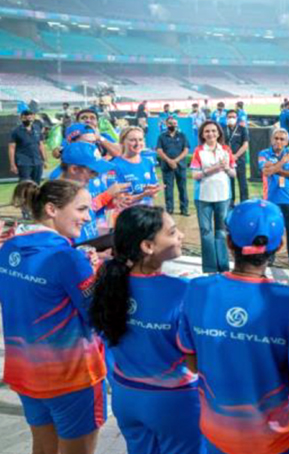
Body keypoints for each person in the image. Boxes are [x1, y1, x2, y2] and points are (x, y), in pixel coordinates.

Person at [177, 199, 289, 454]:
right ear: (279, 245)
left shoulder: (198, 289)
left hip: (217, 434)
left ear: (228, 242)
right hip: (277, 439)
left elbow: (191, 361)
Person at [0, 179, 106, 454]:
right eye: (81, 209)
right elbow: (98, 315)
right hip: (71, 377)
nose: (87, 217)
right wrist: (99, 277)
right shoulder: (68, 258)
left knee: (44, 448)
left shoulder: (9, 249)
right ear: (51, 209)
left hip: (24, 371)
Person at [90, 206, 202, 454]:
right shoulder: (183, 291)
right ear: (148, 246)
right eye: (172, 232)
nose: (181, 236)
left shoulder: (109, 283)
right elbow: (195, 360)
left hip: (126, 396)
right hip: (174, 401)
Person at [191, 120, 236, 273]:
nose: (210, 134)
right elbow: (195, 175)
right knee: (206, 232)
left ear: (218, 133)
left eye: (213, 131)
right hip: (203, 196)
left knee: (221, 232)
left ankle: (223, 267)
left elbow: (233, 173)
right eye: (207, 131)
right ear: (202, 135)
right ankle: (210, 268)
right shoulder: (198, 151)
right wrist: (214, 169)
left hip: (223, 196)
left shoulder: (226, 150)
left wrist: (227, 168)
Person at [258, 128, 289, 267]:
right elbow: (266, 172)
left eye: (282, 139)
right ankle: (270, 258)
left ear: (286, 142)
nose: (278, 141)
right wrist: (284, 162)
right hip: (271, 199)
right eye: (276, 138)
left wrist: (275, 168)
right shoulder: (264, 153)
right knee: (272, 230)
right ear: (272, 139)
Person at [156, 116, 191, 216]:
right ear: (166, 124)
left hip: (180, 166)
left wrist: (175, 160)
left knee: (182, 188)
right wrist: (169, 161)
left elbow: (186, 150)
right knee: (168, 188)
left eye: (175, 123)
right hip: (166, 166)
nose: (173, 125)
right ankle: (169, 209)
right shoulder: (161, 136)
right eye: (170, 123)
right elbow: (159, 150)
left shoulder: (182, 135)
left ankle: (184, 209)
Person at [9, 110, 47, 183]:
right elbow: (11, 148)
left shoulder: (37, 128)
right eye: (25, 116)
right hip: (24, 162)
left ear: (33, 117)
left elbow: (41, 145)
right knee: (25, 184)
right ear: (21, 118)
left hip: (37, 161)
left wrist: (44, 160)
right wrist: (12, 164)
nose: (28, 117)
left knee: (36, 184)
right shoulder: (16, 131)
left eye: (30, 115)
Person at [223, 110, 250, 206]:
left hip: (240, 160)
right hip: (227, 161)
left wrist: (236, 156)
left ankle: (245, 202)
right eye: (229, 117)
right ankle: (230, 202)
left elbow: (245, 144)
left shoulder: (242, 129)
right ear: (226, 118)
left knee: (242, 182)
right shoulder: (222, 129)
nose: (231, 119)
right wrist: (229, 157)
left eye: (233, 117)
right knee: (229, 182)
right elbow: (221, 145)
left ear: (237, 118)